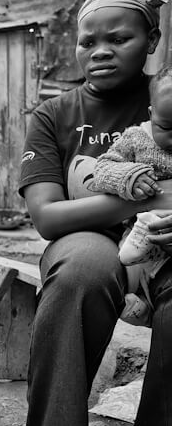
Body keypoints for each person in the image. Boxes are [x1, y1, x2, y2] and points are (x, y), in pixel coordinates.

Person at [19, 0, 172, 426]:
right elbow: (47, 216)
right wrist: (147, 197)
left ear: (151, 41)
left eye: (119, 39)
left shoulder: (168, 99)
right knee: (81, 270)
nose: (100, 51)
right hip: (90, 244)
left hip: (166, 248)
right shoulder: (54, 115)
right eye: (89, 41)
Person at [89, 66, 172, 325]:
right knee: (132, 258)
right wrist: (129, 176)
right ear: (151, 113)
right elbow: (101, 169)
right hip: (142, 230)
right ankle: (140, 302)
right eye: (166, 126)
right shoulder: (136, 137)